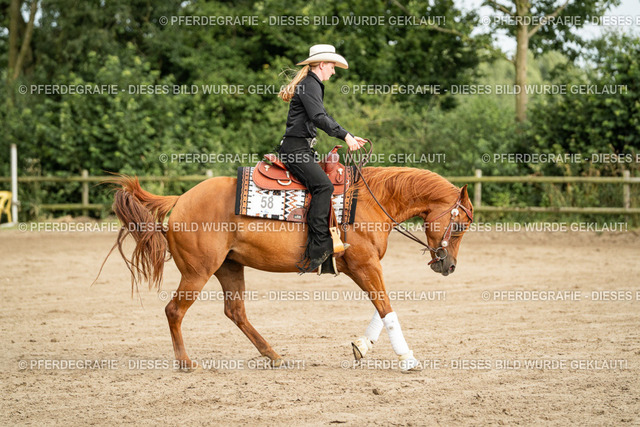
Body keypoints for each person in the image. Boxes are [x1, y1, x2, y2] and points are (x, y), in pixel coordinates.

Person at [277, 44, 367, 273]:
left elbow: (323, 115)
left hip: (301, 148)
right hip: (295, 149)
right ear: (322, 64)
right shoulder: (310, 84)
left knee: (322, 184)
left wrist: (348, 133)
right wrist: (345, 136)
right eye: (333, 66)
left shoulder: (311, 84)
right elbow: (318, 117)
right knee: (324, 186)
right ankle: (319, 249)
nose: (334, 71)